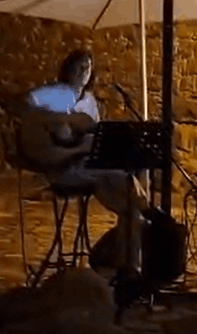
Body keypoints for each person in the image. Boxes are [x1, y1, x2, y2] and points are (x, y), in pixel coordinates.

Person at [21, 49, 147, 272]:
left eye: (87, 68)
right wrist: (63, 118)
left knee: (129, 198)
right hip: (62, 166)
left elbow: (92, 138)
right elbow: (27, 104)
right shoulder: (54, 94)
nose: (83, 72)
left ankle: (129, 265)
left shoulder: (89, 102)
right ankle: (148, 214)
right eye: (78, 67)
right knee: (119, 179)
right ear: (68, 70)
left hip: (86, 165)